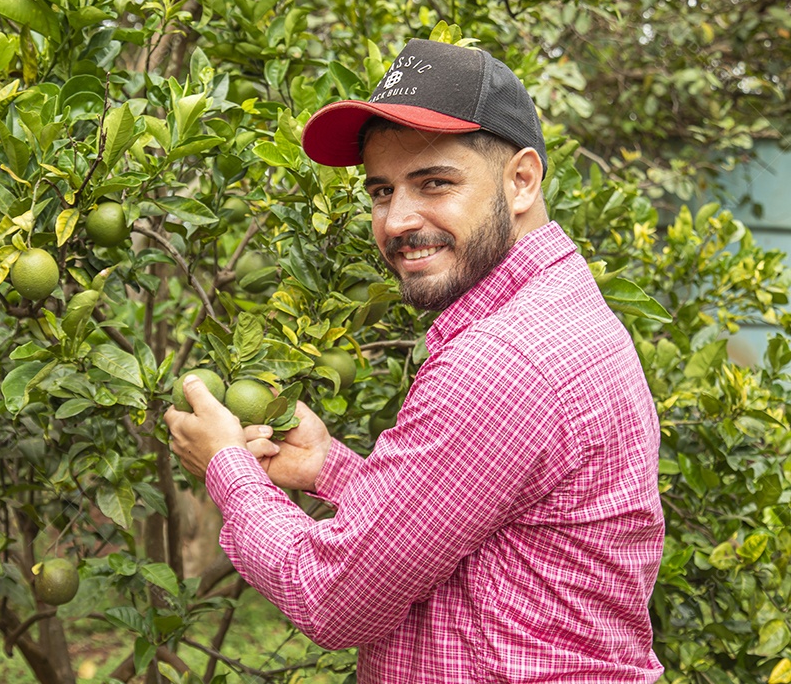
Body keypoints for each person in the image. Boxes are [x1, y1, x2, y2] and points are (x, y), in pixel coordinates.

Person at [165, 38, 664, 682]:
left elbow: (333, 599)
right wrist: (331, 469)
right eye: (381, 191)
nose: (397, 219)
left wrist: (226, 466)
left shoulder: (502, 360)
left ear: (521, 181)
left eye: (434, 182)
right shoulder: (556, 310)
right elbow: (480, 531)